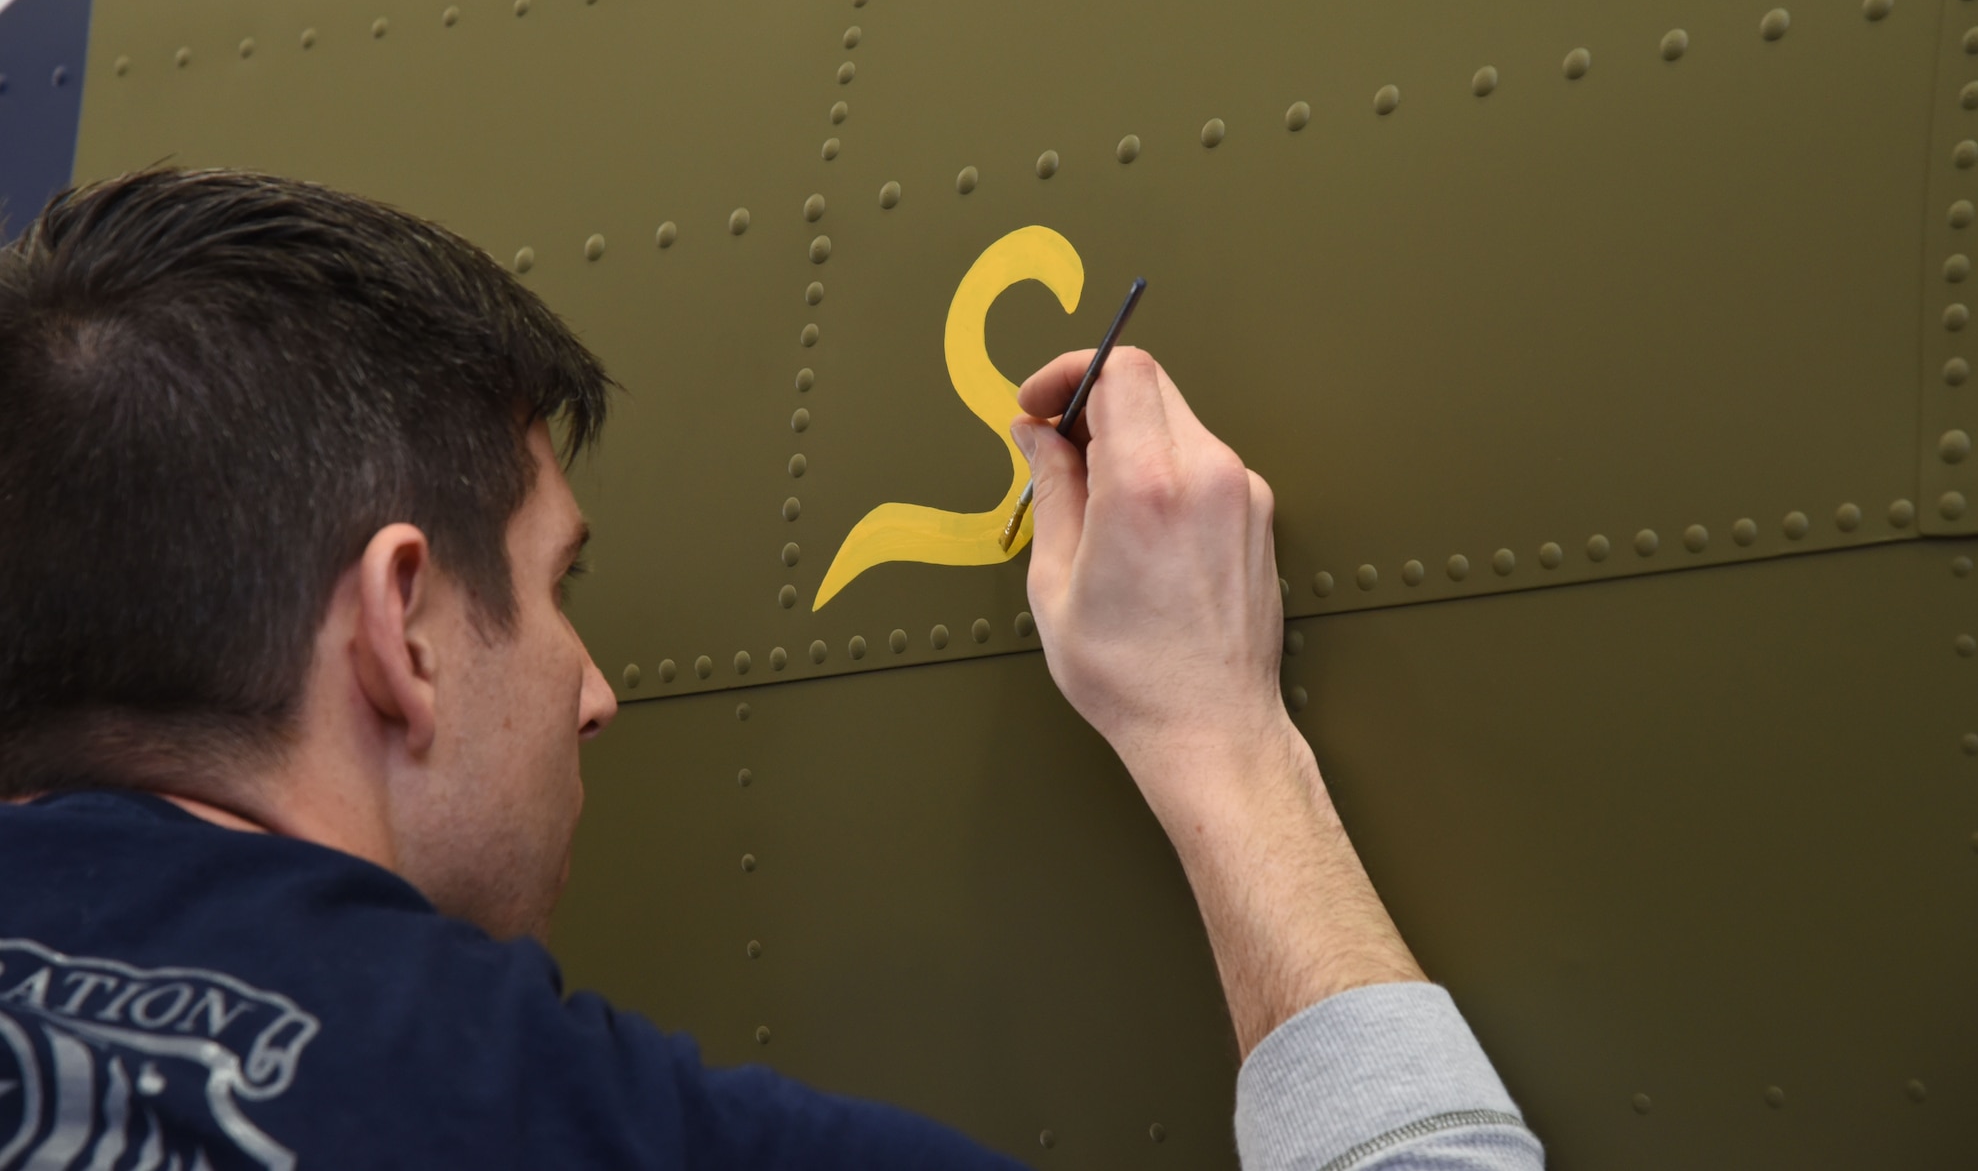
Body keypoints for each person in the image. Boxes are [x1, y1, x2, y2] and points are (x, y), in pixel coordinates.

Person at [0, 167, 1543, 1170]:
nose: (594, 692)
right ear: (400, 629)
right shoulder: (563, 1130)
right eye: (554, 588)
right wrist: (1225, 749)